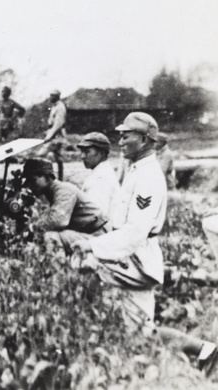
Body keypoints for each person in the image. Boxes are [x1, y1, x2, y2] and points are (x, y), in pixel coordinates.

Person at [72, 112, 218, 376]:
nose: (120, 140)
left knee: (139, 328)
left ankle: (198, 355)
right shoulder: (136, 169)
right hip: (128, 256)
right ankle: (205, 351)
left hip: (136, 258)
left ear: (142, 139)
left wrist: (93, 247)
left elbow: (136, 232)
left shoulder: (149, 176)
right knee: (140, 330)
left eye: (126, 136)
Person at [21, 158, 109, 255]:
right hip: (87, 233)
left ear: (46, 177)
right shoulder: (52, 193)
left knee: (51, 237)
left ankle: (57, 267)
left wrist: (32, 228)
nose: (30, 185)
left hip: (98, 236)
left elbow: (58, 220)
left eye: (33, 180)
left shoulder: (64, 191)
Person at [76, 132, 120, 219]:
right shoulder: (101, 171)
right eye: (82, 152)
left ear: (101, 154)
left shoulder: (101, 179)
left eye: (87, 152)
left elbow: (96, 216)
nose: (82, 156)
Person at [36, 90, 68, 180]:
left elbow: (58, 124)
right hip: (54, 134)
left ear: (57, 96)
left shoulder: (60, 107)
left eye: (52, 96)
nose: (50, 98)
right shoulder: (55, 106)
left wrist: (49, 136)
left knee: (41, 155)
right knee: (58, 157)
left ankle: (46, 178)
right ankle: (59, 178)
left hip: (56, 136)